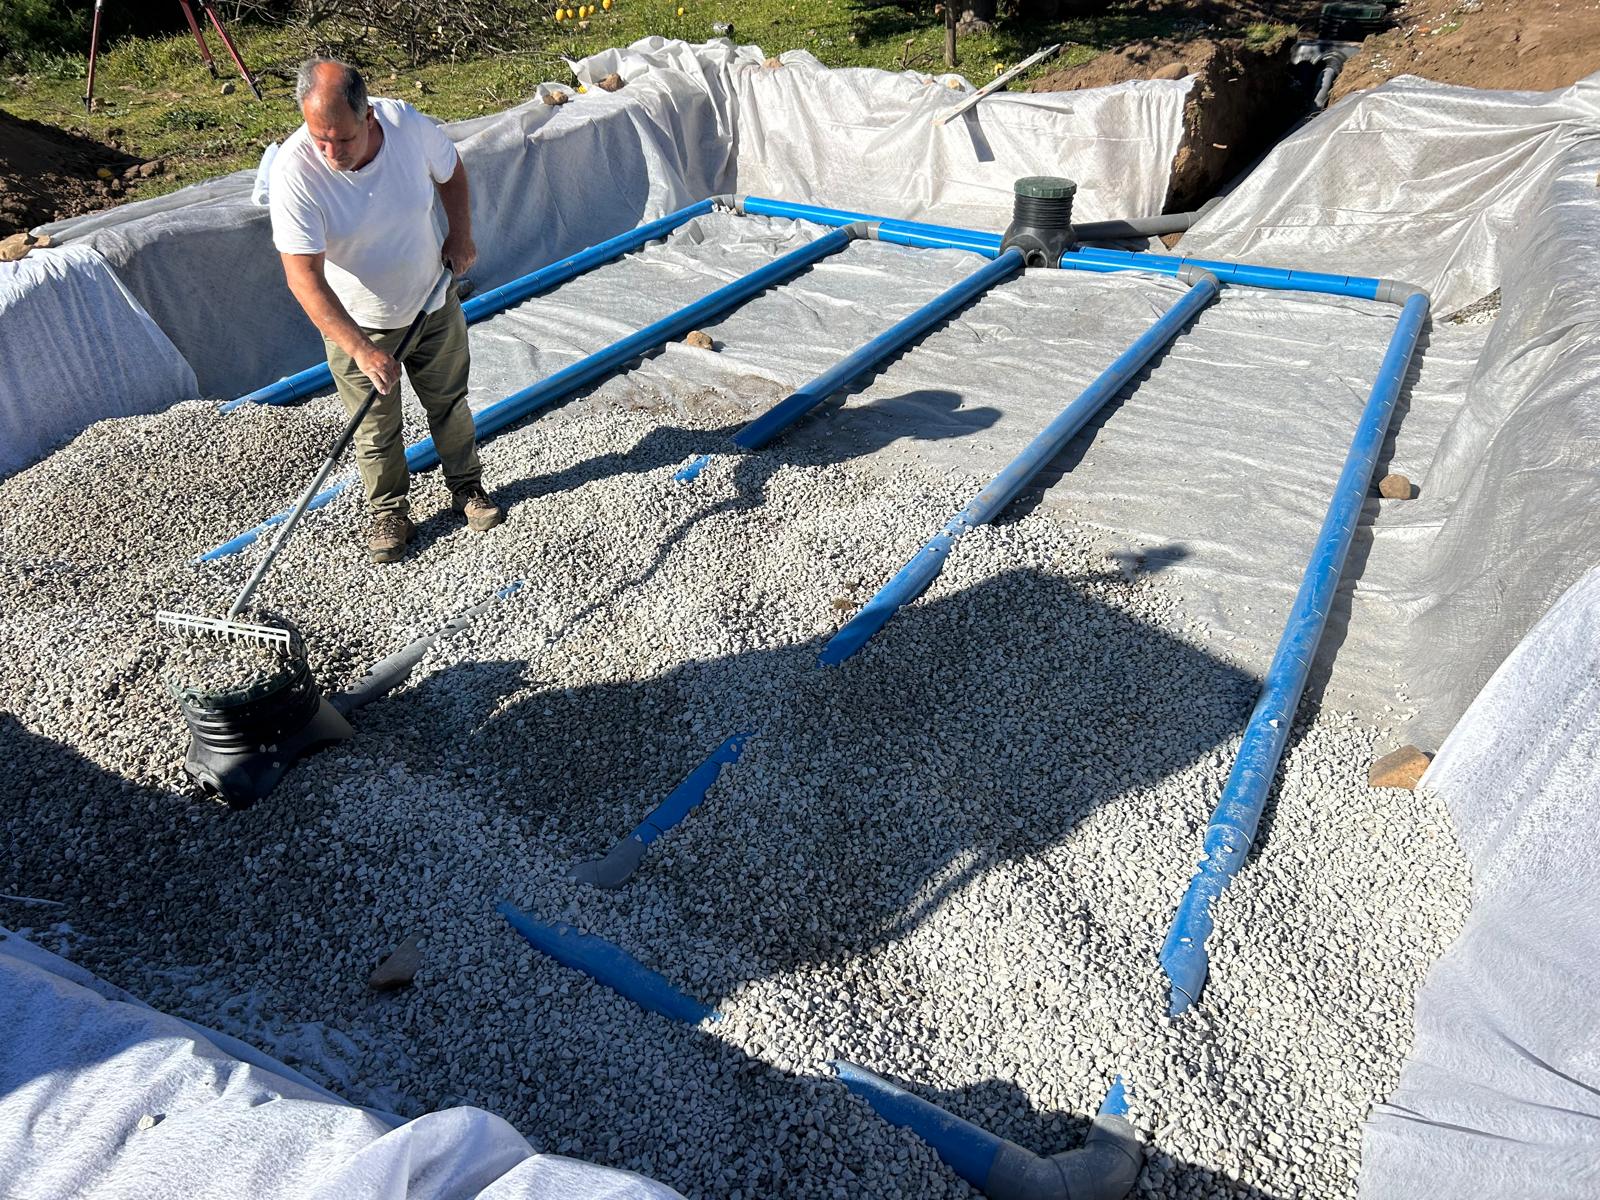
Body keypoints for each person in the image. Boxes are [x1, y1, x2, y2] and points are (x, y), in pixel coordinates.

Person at [268, 57, 503, 563]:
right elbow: (303, 277)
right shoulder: (294, 173)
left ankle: (466, 486)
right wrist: (360, 349)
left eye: (343, 139)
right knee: (374, 427)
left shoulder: (406, 126)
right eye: (319, 138)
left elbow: (451, 172)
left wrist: (460, 234)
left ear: (369, 116)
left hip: (430, 299)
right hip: (357, 322)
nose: (331, 152)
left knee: (449, 402)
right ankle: (390, 512)